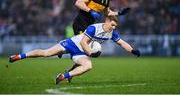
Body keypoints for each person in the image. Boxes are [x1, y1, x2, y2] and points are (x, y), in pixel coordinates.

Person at [9, 16, 140, 84]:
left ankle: (63, 76)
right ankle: (19, 56)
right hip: (72, 43)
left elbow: (122, 43)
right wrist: (91, 53)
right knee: (46, 53)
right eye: (112, 25)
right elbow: (83, 42)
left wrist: (132, 51)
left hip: (82, 51)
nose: (113, 28)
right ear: (107, 21)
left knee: (88, 66)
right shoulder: (94, 28)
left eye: (115, 26)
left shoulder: (111, 34)